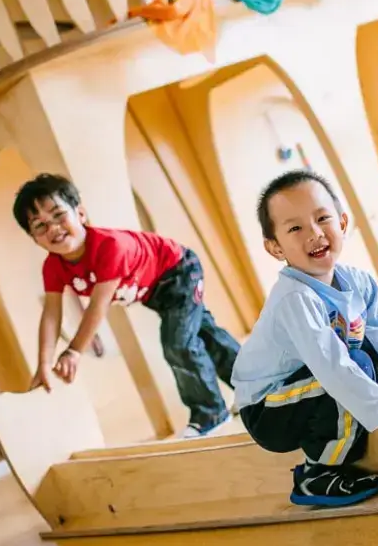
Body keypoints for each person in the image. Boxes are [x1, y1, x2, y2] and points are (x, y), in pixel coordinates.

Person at [232, 170, 378, 507]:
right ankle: (317, 474)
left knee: (368, 353)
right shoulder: (294, 298)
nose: (315, 234)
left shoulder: (357, 281)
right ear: (275, 248)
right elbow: (331, 368)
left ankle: (342, 439)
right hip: (267, 408)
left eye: (322, 218)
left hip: (305, 387)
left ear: (343, 223)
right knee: (345, 372)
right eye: (295, 228)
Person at [13, 173, 239, 438]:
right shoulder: (53, 267)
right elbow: (52, 313)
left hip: (179, 272)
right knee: (203, 334)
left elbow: (99, 305)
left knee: (177, 343)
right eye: (39, 225)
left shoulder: (110, 247)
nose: (53, 228)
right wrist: (43, 363)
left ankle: (211, 412)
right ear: (34, 238)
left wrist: (73, 351)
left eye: (58, 215)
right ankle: (259, 385)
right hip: (153, 293)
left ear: (81, 214)